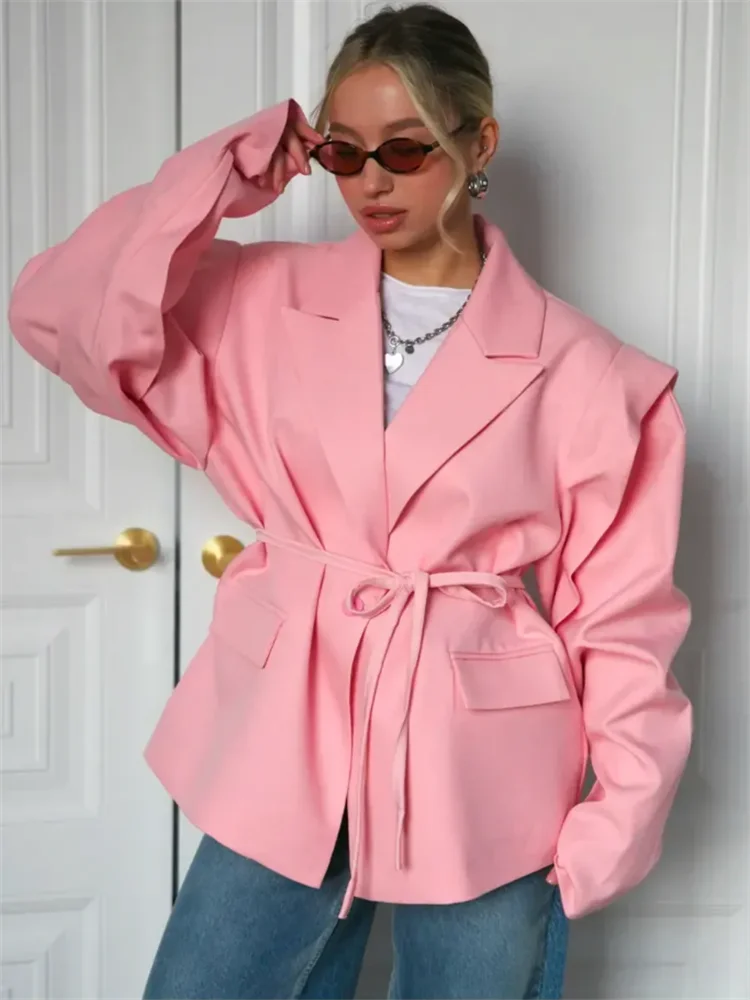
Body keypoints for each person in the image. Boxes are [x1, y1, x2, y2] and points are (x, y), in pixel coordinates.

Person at [8, 3, 693, 998]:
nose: (370, 182)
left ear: (478, 142)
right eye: (344, 152)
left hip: (485, 768)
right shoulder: (259, 300)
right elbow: (54, 307)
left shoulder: (588, 372)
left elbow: (623, 617)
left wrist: (618, 812)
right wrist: (222, 176)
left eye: (406, 150)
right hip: (291, 725)